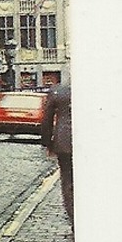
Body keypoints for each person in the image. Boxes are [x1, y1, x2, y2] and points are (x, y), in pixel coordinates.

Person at [41, 81, 72, 231]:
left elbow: (46, 119)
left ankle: (75, 220)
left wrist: (47, 143)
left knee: (68, 182)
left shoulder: (58, 91)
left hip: (65, 142)